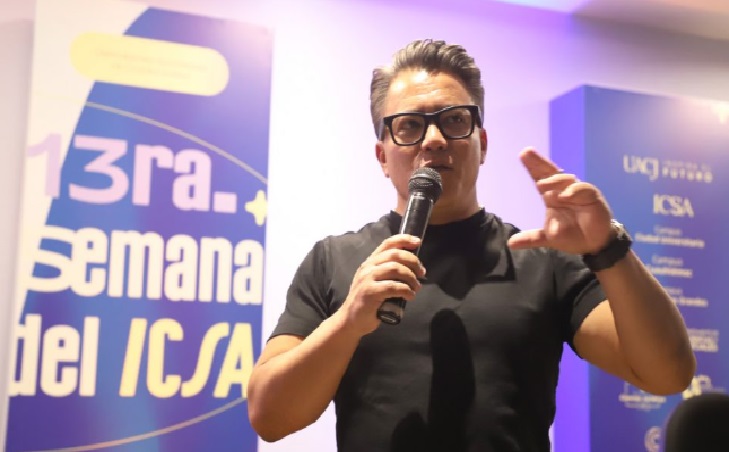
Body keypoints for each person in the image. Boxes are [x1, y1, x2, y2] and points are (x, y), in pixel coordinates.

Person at [247, 39, 695, 451]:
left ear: (482, 143)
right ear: (382, 156)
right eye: (409, 126)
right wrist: (347, 322)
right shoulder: (332, 261)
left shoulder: (543, 261)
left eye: (454, 120)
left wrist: (609, 248)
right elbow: (269, 417)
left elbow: (667, 374)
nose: (434, 139)